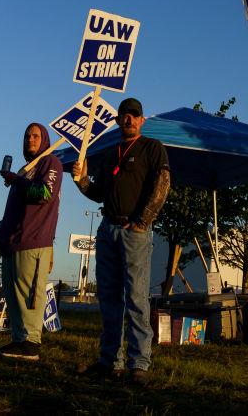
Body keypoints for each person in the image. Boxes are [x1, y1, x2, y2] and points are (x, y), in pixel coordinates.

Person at [72, 98, 170, 385]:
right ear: (117, 121)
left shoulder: (152, 148)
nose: (128, 119)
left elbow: (162, 185)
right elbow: (99, 193)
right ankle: (109, 361)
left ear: (142, 121)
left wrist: (143, 221)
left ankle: (138, 364)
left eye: (133, 115)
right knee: (109, 298)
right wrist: (82, 181)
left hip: (134, 232)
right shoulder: (110, 152)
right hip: (108, 229)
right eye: (124, 116)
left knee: (137, 298)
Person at [0, 122, 64, 361]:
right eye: (26, 136)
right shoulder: (27, 168)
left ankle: (31, 342)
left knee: (29, 295)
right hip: (13, 242)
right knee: (13, 296)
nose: (30, 139)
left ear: (44, 139)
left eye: (35, 135)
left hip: (34, 240)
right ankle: (19, 339)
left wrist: (18, 181)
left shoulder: (50, 162)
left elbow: (45, 194)